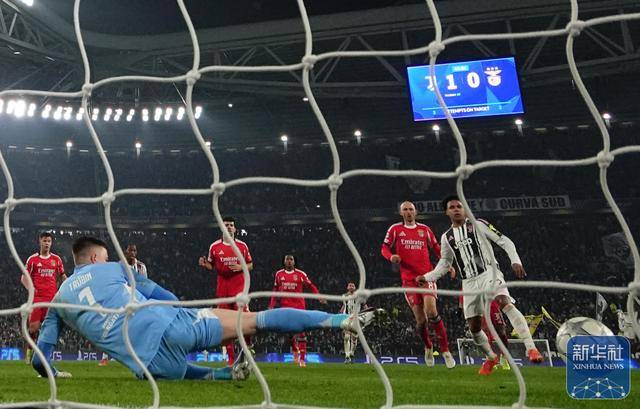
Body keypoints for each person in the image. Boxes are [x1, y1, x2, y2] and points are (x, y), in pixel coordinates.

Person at [32, 236, 385, 380]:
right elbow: (162, 294)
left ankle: (223, 375)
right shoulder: (114, 267)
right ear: (96, 258)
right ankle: (341, 320)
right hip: (167, 323)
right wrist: (181, 312)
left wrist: (52, 373)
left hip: (149, 365)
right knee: (255, 320)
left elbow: (39, 357)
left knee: (178, 369)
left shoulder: (58, 299)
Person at [418, 195, 543, 376]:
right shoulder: (447, 237)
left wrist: (515, 260)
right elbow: (445, 264)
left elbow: (504, 240)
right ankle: (491, 357)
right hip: (468, 283)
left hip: (489, 273)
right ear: (446, 212)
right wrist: (427, 277)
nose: (456, 209)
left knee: (504, 302)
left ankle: (531, 348)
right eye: (452, 207)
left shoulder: (478, 224)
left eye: (459, 206)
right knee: (474, 328)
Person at [381, 201, 455, 369]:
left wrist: (447, 264)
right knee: (421, 321)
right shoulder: (395, 229)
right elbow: (384, 247)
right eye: (405, 210)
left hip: (427, 277)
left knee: (431, 311)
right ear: (401, 213)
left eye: (411, 209)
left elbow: (436, 248)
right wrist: (391, 256)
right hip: (408, 281)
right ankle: (428, 346)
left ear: (415, 212)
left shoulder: (425, 230)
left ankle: (445, 350)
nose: (408, 212)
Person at [198, 217, 253, 366]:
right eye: (226, 225)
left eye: (231, 225)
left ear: (235, 229)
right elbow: (211, 266)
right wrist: (205, 264)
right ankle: (230, 358)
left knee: (244, 319)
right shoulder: (214, 247)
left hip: (239, 288)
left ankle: (248, 351)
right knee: (225, 323)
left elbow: (250, 264)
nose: (228, 227)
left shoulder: (242, 246)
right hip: (223, 289)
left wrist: (241, 267)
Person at [268, 255, 327, 367]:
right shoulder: (279, 274)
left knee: (302, 332)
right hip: (285, 307)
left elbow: (311, 286)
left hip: (299, 307)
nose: (289, 261)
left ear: (294, 262)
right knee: (288, 333)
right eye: (287, 259)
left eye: (291, 259)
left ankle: (302, 359)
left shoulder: (301, 274)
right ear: (284, 261)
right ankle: (295, 349)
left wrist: (318, 296)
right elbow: (275, 290)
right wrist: (271, 305)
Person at [21, 232, 66, 365]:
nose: (47, 243)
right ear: (40, 241)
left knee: (48, 329)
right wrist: (30, 289)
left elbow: (63, 276)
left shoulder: (56, 259)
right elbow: (23, 278)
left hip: (52, 300)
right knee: (33, 328)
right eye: (45, 241)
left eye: (49, 241)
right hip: (37, 299)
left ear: (51, 243)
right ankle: (30, 349)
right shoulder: (32, 260)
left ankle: (44, 356)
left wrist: (69, 286)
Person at [340, 282, 368, 363]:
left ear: (355, 288)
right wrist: (340, 313)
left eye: (353, 285)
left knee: (354, 338)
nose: (351, 287)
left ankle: (352, 352)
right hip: (347, 317)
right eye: (350, 285)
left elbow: (364, 305)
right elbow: (344, 305)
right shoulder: (344, 296)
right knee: (346, 337)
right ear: (347, 287)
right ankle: (347, 356)